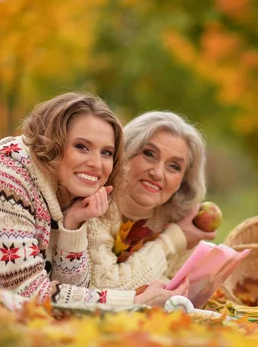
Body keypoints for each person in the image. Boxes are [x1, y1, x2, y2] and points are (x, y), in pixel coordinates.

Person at [0, 92, 187, 309]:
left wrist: (73, 227)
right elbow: (30, 293)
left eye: (106, 153)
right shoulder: (2, 180)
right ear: (53, 142)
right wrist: (134, 301)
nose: (96, 164)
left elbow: (68, 295)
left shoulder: (70, 196)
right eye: (81, 147)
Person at [84, 111, 217, 292]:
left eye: (173, 166)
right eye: (149, 154)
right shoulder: (97, 202)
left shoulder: (181, 219)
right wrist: (170, 240)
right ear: (124, 153)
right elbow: (104, 286)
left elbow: (183, 293)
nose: (158, 173)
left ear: (183, 181)